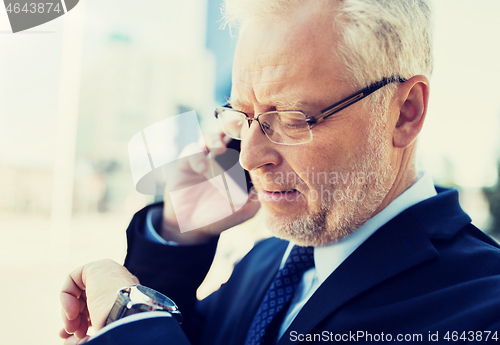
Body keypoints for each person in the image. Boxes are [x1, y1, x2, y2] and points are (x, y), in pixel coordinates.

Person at [60, 0, 500, 344]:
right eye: (242, 114)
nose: (249, 158)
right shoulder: (268, 261)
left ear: (405, 112)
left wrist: (129, 312)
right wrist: (179, 234)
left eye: (292, 119)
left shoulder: (482, 309)